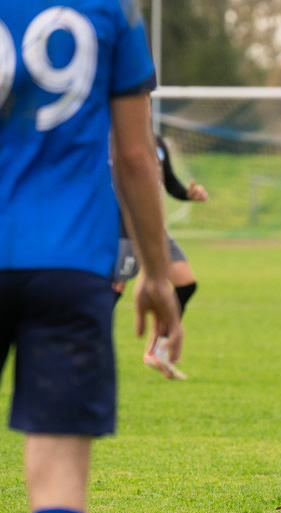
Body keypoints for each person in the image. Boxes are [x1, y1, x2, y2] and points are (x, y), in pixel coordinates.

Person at [0, 2, 182, 513]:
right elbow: (135, 156)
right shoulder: (113, 10)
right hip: (72, 264)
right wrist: (156, 273)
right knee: (60, 485)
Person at [114, 131, 209, 380]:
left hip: (154, 229)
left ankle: (159, 350)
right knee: (110, 293)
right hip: (122, 228)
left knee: (186, 284)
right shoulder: (111, 138)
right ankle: (79, 352)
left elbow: (171, 183)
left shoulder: (157, 142)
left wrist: (189, 194)